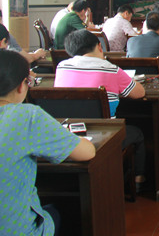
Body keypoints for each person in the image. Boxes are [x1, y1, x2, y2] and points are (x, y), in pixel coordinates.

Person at [0, 49, 95, 236]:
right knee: (71, 208)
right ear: (21, 86)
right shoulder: (26, 116)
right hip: (16, 231)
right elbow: (87, 152)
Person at [54, 29, 147, 186]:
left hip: (71, 135)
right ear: (99, 46)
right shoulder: (110, 68)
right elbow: (139, 93)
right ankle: (138, 180)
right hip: (106, 137)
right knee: (137, 133)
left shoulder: (61, 67)